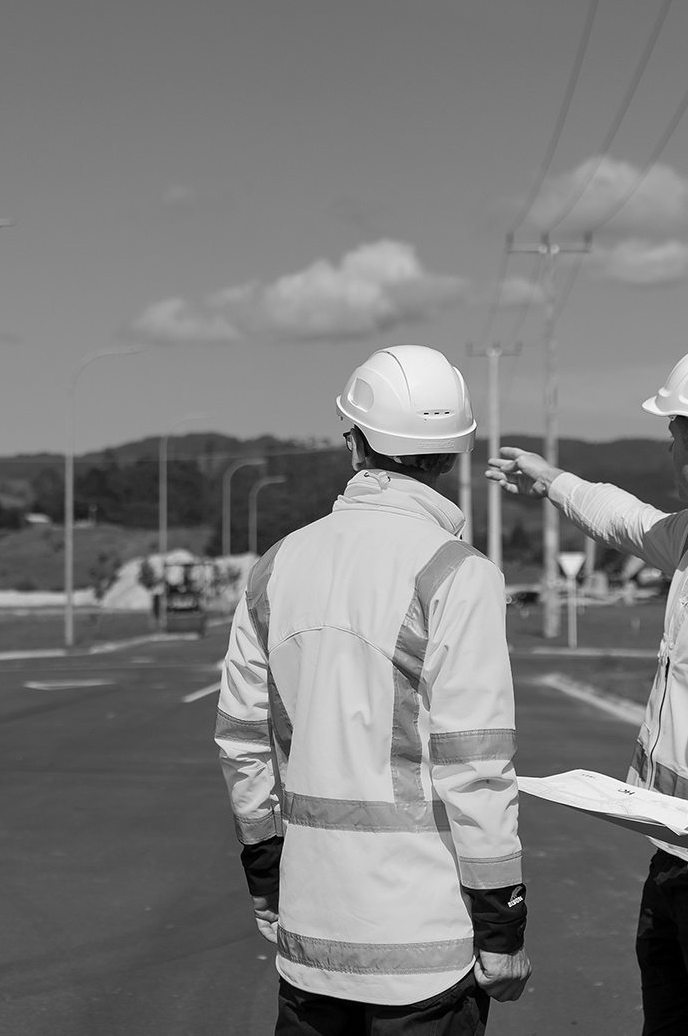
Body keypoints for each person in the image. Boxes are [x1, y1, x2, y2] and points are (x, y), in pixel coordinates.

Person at [485, 340, 688, 1036]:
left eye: (675, 438)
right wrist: (550, 480)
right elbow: (621, 516)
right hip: (675, 854)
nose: (667, 454)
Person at [215, 345, 530, 1036]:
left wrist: (267, 878)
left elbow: (243, 744)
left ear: (352, 441)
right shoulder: (458, 574)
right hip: (425, 947)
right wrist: (501, 929)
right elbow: (474, 766)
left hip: (310, 936)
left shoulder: (275, 567)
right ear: (452, 456)